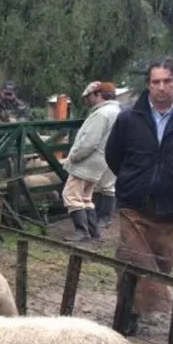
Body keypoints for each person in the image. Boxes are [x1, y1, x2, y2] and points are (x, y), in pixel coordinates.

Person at [105, 56, 173, 335]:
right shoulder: (129, 117)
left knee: (162, 261)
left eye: (167, 81)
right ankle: (127, 313)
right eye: (155, 82)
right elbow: (114, 155)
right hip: (134, 203)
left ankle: (142, 305)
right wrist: (134, 179)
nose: (161, 87)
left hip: (172, 203)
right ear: (148, 84)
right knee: (133, 257)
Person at [61, 81, 121, 242]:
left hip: (88, 161)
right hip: (101, 161)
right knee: (86, 197)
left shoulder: (102, 114)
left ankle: (82, 232)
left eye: (89, 96)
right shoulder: (117, 112)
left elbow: (90, 141)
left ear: (98, 95)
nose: (87, 100)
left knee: (71, 195)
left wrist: (74, 156)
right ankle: (94, 232)